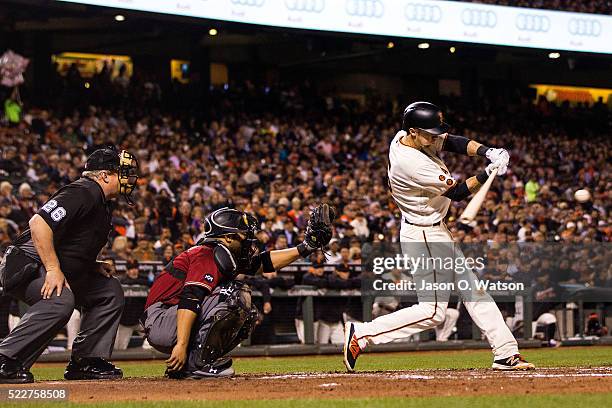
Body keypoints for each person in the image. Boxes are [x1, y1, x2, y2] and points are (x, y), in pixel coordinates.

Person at [343, 102, 535, 372]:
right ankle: (363, 334)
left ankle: (505, 352)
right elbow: (457, 193)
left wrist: (486, 151)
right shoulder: (413, 164)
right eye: (430, 134)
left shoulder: (403, 137)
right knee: (433, 311)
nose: (435, 138)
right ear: (413, 131)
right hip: (424, 235)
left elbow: (452, 142)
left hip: (432, 229)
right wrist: (487, 172)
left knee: (474, 290)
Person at [141, 204, 334, 379]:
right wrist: (181, 345)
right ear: (227, 237)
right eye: (243, 234)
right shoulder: (205, 253)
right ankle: (197, 364)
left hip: (170, 317)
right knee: (233, 294)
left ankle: (188, 365)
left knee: (249, 315)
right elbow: (190, 298)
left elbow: (263, 263)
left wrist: (306, 247)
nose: (248, 238)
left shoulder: (223, 253)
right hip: (161, 319)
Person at [0, 148, 139, 383]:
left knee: (108, 290)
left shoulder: (102, 202)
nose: (129, 179)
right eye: (122, 173)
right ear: (105, 175)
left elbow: (70, 243)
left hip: (48, 264)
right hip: (25, 263)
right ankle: (6, 359)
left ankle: (86, 361)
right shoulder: (84, 191)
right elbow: (39, 223)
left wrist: (91, 265)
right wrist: (53, 269)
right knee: (60, 300)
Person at [114, 259, 149, 350]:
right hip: (125, 321)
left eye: (135, 268)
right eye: (131, 269)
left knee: (153, 344)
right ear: (127, 270)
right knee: (119, 349)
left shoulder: (145, 281)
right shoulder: (121, 282)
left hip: (141, 321)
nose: (133, 270)